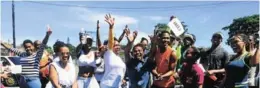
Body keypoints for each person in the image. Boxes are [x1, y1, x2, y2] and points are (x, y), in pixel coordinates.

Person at [100, 14, 126, 88]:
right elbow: (110, 41)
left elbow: (119, 72)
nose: (118, 47)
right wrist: (111, 28)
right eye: (115, 45)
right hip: (107, 85)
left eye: (118, 45)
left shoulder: (119, 59)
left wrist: (122, 80)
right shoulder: (109, 54)